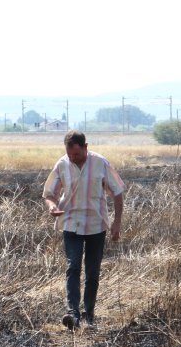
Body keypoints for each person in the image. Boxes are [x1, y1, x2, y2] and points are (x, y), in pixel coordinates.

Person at [43, 130, 125, 330]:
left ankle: (89, 315)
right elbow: (49, 193)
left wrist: (117, 223)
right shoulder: (62, 164)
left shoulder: (101, 163)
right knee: (72, 267)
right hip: (70, 223)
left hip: (96, 224)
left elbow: (118, 191)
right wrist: (52, 207)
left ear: (86, 147)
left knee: (92, 271)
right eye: (70, 155)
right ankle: (73, 314)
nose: (73, 158)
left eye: (77, 155)